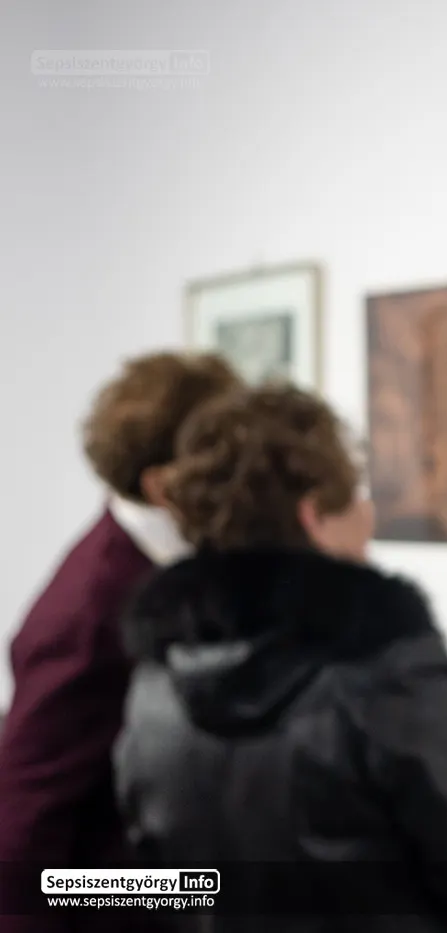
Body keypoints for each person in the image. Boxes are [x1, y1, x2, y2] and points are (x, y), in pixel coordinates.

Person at [114, 385, 447, 931]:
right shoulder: (383, 669)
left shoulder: (155, 684)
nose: (369, 516)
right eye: (355, 498)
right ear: (313, 514)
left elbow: (151, 883)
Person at [0, 351, 242, 931]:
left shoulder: (180, 558)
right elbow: (25, 819)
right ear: (162, 485)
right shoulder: (88, 613)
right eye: (227, 460)